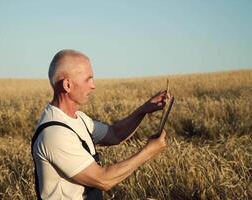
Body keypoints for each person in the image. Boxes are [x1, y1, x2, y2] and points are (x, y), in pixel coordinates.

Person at [31, 49, 169, 200]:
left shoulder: (79, 119)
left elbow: (115, 134)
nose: (93, 86)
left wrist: (144, 109)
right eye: (88, 79)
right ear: (67, 85)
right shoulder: (55, 134)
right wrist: (149, 151)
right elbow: (103, 180)